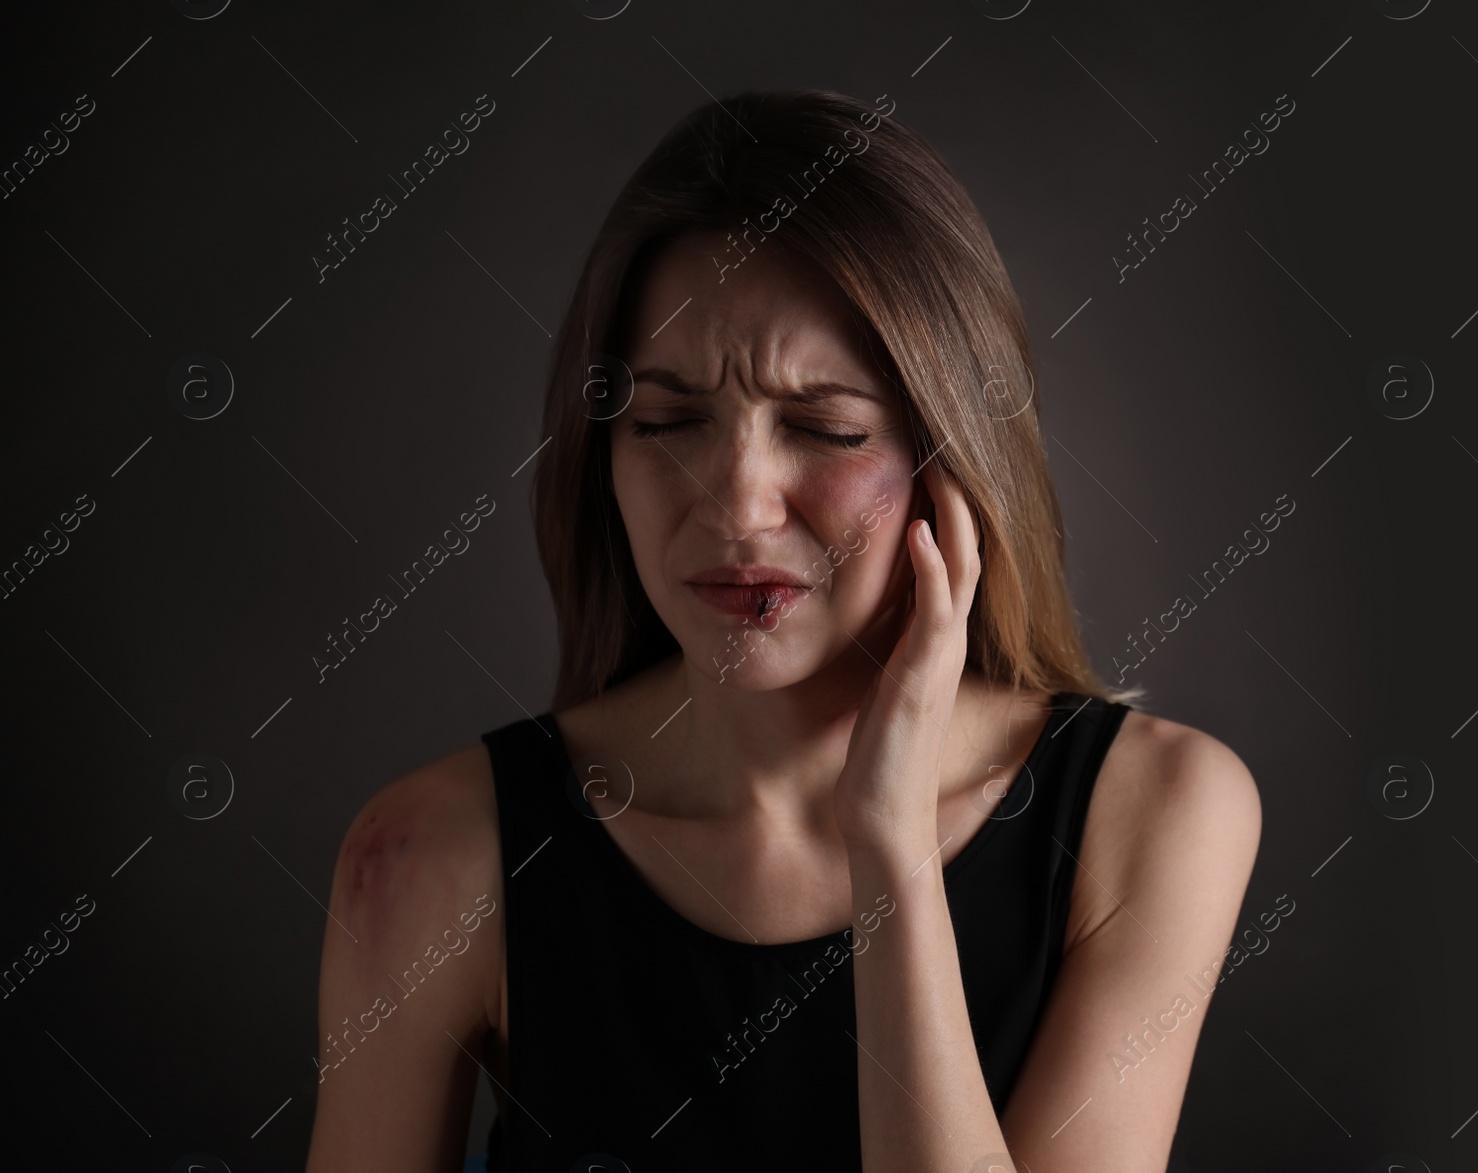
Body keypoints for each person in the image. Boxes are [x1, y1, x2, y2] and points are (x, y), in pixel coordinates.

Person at [305, 89, 1260, 1173]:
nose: (737, 506)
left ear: (950, 468)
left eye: (824, 429)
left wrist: (888, 842)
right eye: (666, 422)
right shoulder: (430, 855)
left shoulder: (1157, 814)